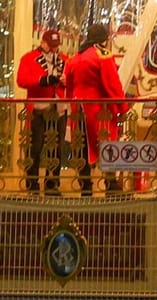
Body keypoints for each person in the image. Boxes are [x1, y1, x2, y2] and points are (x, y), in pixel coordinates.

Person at [63, 22, 127, 195]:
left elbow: (69, 88)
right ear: (103, 40)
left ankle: (86, 186)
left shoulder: (74, 58)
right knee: (107, 143)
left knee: (81, 146)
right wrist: (122, 106)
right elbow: (112, 84)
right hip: (99, 109)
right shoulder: (103, 55)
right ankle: (111, 183)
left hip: (78, 108)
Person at [15, 27, 69, 193]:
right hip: (39, 108)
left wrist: (64, 82)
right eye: (51, 45)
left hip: (58, 107)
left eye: (56, 45)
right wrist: (42, 80)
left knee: (56, 148)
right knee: (35, 147)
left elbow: (72, 80)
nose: (54, 49)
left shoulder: (64, 59)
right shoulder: (29, 58)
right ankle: (32, 183)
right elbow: (22, 80)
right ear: (43, 43)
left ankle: (52, 183)